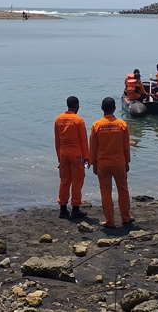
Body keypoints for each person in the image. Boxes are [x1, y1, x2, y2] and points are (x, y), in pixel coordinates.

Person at [89, 97, 132, 228]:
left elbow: (93, 147)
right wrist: (127, 162)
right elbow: (126, 146)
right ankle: (126, 217)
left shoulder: (97, 125)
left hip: (103, 163)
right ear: (114, 108)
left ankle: (110, 221)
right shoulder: (122, 124)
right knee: (123, 190)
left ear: (102, 108)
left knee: (105, 192)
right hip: (119, 162)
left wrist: (94, 164)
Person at [53, 96, 90, 220]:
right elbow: (84, 141)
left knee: (64, 181)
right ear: (77, 106)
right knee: (77, 181)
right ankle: (75, 209)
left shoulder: (58, 120)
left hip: (63, 153)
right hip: (76, 155)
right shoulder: (78, 120)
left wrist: (59, 157)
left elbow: (57, 141)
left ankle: (63, 209)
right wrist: (87, 157)